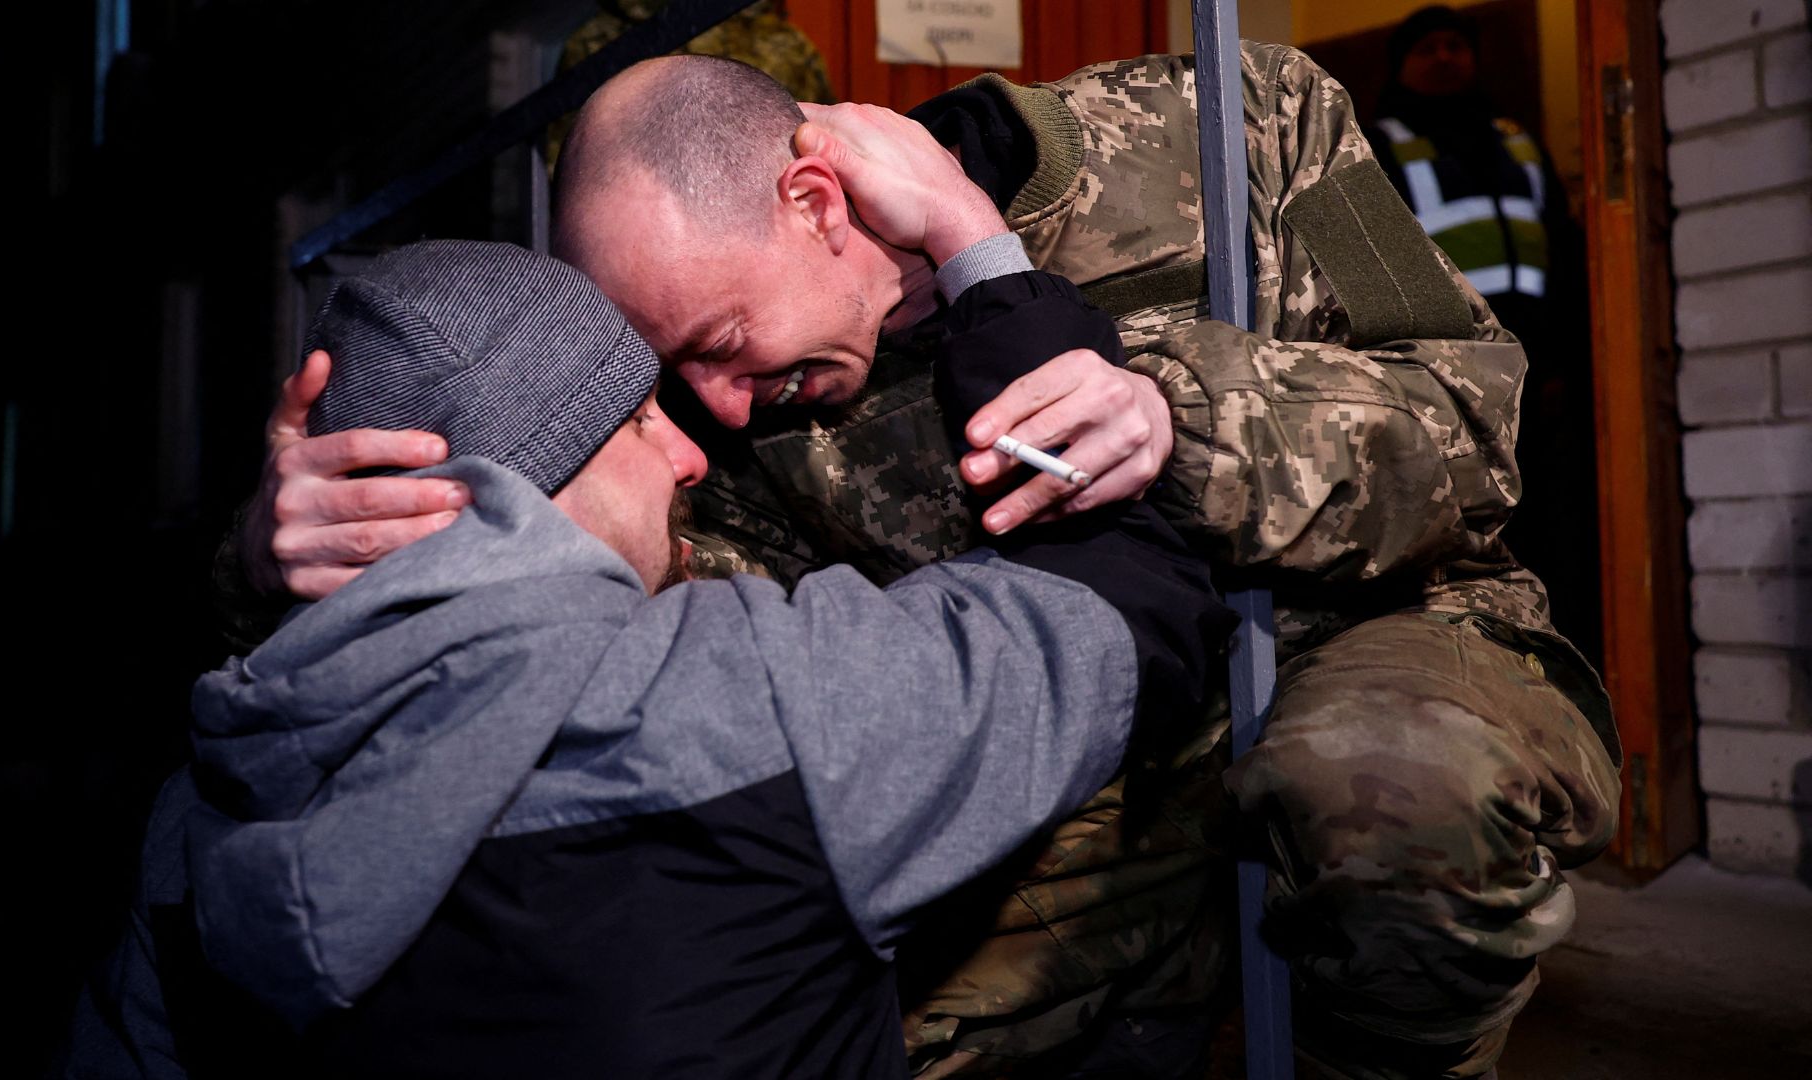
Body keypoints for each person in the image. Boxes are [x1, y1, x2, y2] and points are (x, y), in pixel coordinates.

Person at [233, 49, 1623, 1080]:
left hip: (1366, 632)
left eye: (718, 342)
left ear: (814, 197)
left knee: (1386, 799)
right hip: (1067, 735)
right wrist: (293, 556)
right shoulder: (750, 408)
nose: (712, 410)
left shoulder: (1238, 117)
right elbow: (607, 670)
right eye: (674, 373)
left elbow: (1476, 424)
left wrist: (1172, 415)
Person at [66, 240, 1237, 1078]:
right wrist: (984, 259)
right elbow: (1137, 605)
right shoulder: (748, 698)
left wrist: (252, 574)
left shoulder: (199, 817)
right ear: (521, 487)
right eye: (632, 419)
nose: (689, 454)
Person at [1367, 4, 1601, 660]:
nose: (1445, 58)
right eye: (1428, 48)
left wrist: (1563, 364)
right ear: (1402, 65)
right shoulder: (1377, 142)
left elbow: (1566, 254)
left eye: (1456, 45)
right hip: (1445, 380)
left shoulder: (1517, 141)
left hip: (1540, 377)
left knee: (1551, 535)